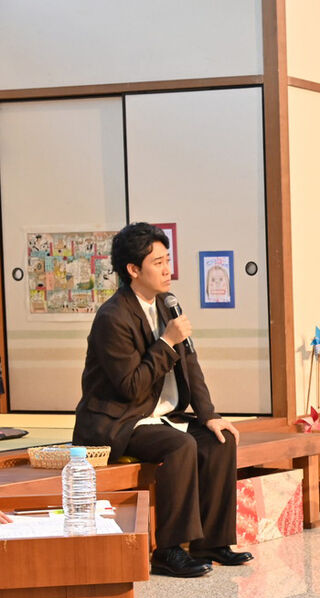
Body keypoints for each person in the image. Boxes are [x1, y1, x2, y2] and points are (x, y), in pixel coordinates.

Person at [73, 222, 252, 578]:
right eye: (158, 262)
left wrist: (209, 415)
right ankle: (168, 550)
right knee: (180, 445)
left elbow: (190, 363)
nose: (168, 269)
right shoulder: (113, 317)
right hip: (120, 420)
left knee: (220, 439)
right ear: (133, 269)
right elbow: (131, 387)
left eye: (167, 259)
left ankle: (212, 542)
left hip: (159, 415)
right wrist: (166, 342)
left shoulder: (167, 305)